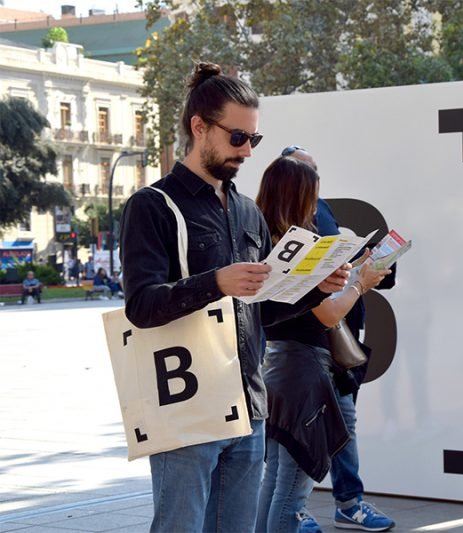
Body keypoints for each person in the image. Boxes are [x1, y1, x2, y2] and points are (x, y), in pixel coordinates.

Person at [118, 62, 349, 533]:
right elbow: (140, 306)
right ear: (199, 127)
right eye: (237, 137)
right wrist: (216, 282)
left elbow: (263, 305)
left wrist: (314, 289)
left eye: (253, 139)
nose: (246, 151)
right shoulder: (153, 206)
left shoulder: (248, 211)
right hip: (185, 403)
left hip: (248, 402)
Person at [254, 156, 391, 533]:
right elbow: (326, 314)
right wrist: (360, 284)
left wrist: (355, 273)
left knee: (277, 478)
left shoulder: (268, 242)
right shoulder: (297, 249)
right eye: (312, 199)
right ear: (297, 198)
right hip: (302, 373)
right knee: (292, 489)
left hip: (280, 368)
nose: (316, 208)